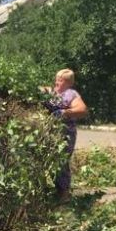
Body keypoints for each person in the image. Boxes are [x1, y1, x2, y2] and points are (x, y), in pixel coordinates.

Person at [43, 68, 89, 199]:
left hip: (65, 134)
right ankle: (49, 191)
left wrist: (65, 112)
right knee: (47, 161)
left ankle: (64, 194)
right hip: (48, 133)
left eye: (62, 80)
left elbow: (82, 109)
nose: (58, 82)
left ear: (69, 83)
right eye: (57, 78)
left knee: (61, 162)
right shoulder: (50, 92)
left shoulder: (71, 94)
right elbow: (35, 88)